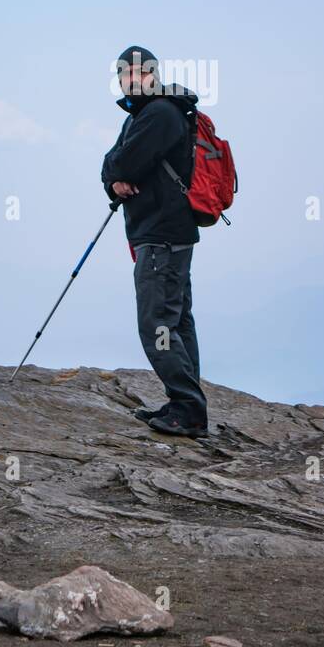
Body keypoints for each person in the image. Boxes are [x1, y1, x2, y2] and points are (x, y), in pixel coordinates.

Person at [101, 46, 209, 438]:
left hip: (162, 234)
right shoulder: (145, 115)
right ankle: (185, 403)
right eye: (124, 74)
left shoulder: (160, 114)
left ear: (152, 74)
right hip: (165, 233)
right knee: (176, 319)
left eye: (138, 73)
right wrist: (114, 174)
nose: (131, 79)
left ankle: (189, 410)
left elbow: (123, 163)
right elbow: (112, 163)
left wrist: (117, 173)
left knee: (156, 322)